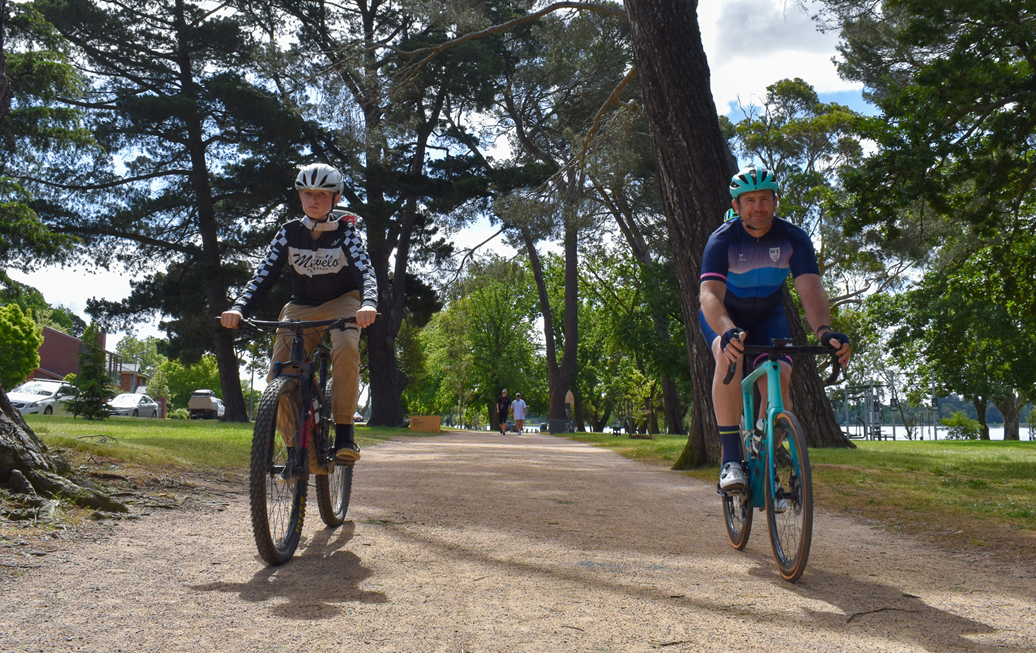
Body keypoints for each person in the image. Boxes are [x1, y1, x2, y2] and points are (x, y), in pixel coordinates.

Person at [700, 165, 851, 491]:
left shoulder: (792, 238)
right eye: (750, 200)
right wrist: (726, 330)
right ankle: (730, 460)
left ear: (775, 201)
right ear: (737, 206)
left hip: (769, 315)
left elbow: (810, 290)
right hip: (725, 315)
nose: (758, 207)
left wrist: (824, 331)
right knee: (730, 358)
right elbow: (709, 295)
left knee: (781, 382)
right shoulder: (722, 240)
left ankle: (766, 444)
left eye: (765, 199)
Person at [220, 163, 378, 463]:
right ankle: (295, 451)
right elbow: (263, 275)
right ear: (300, 197)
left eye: (322, 193)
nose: (313, 199)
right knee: (277, 374)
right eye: (307, 193)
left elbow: (366, 274)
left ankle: (345, 433)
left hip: (343, 302)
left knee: (345, 349)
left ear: (335, 198)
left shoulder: (347, 233)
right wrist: (238, 308)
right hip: (300, 306)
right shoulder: (289, 233)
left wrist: (368, 304)